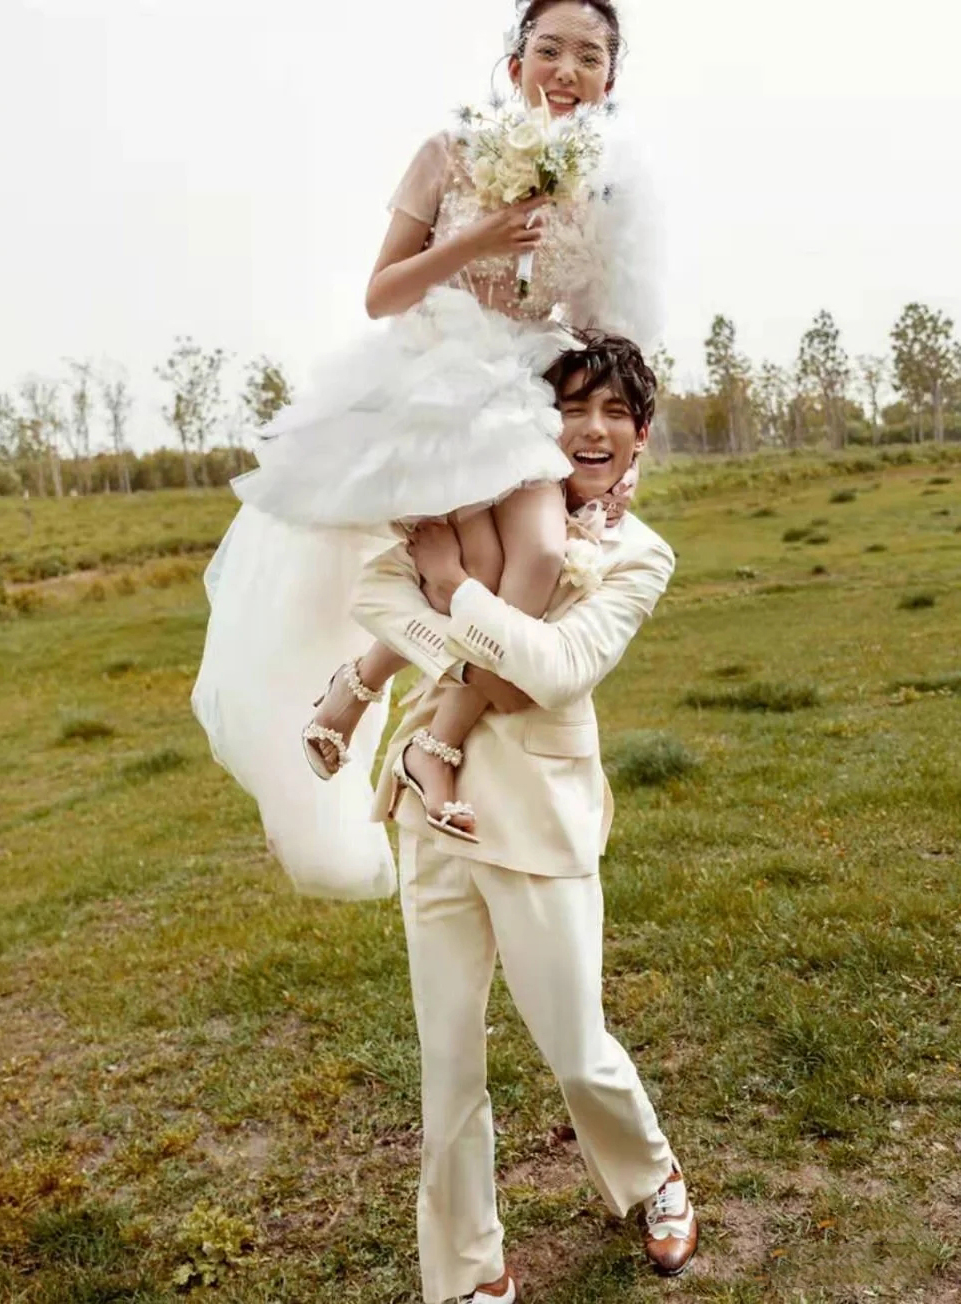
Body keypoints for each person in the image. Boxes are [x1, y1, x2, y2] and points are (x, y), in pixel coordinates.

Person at [192, 0, 660, 896]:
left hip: (530, 387)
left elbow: (603, 328)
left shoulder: (604, 190)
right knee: (475, 569)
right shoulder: (451, 150)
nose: (567, 71)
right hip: (436, 377)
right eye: (550, 50)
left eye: (590, 57)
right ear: (516, 61)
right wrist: (480, 238)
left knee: (541, 557)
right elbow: (382, 294)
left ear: (610, 78)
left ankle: (418, 723)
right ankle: (394, 710)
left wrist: (620, 447)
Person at [351, 334, 698, 1304]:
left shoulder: (640, 553)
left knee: (576, 1048)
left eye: (614, 413)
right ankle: (469, 1269)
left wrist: (452, 591)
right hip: (434, 811)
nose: (592, 428)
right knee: (447, 1063)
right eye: (572, 407)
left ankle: (653, 1176)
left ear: (640, 435)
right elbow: (374, 593)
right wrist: (463, 651)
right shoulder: (471, 505)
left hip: (542, 817)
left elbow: (558, 669)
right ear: (536, 423)